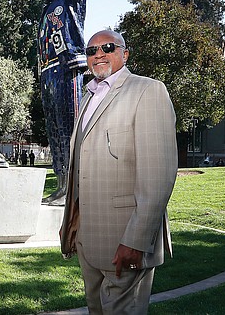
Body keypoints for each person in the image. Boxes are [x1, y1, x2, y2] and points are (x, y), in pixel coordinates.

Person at [60, 30, 178, 314]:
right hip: (89, 242)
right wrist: (72, 223)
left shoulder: (148, 91)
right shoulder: (88, 97)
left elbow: (158, 177)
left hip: (125, 243)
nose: (98, 54)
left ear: (125, 54)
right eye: (91, 51)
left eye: (107, 47)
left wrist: (136, 240)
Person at [31, 0, 88, 205]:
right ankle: (62, 184)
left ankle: (75, 187)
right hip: (48, 75)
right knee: (54, 133)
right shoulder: (44, 13)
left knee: (70, 129)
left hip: (67, 71)